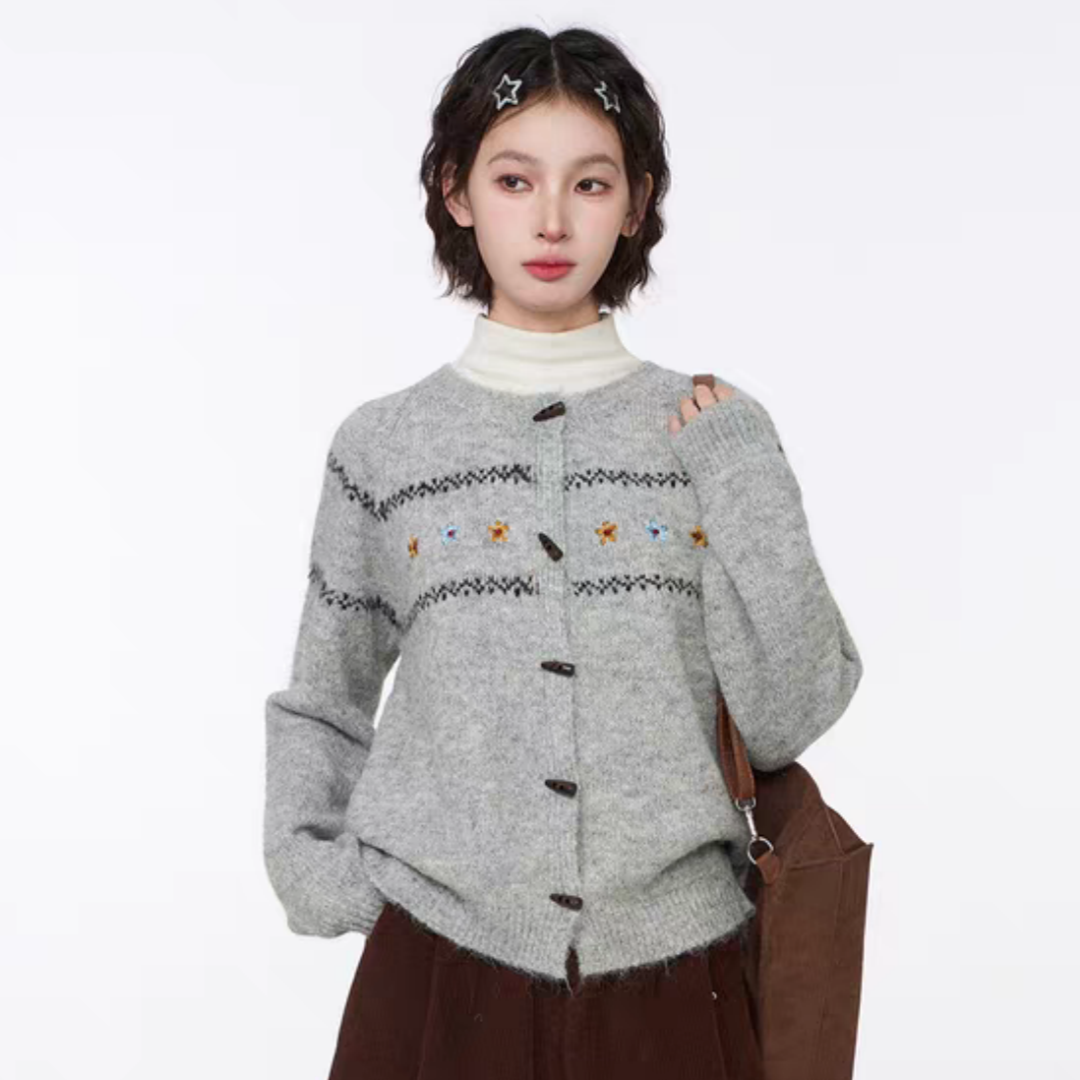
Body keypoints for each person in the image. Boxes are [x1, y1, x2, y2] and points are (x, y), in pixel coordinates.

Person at [263, 23, 864, 1080]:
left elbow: (789, 710)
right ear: (456, 191)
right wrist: (319, 872)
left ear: (635, 204)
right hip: (438, 972)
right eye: (514, 179)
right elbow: (326, 695)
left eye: (590, 183)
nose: (551, 219)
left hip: (680, 985)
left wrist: (739, 476)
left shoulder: (713, 433)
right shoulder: (385, 446)